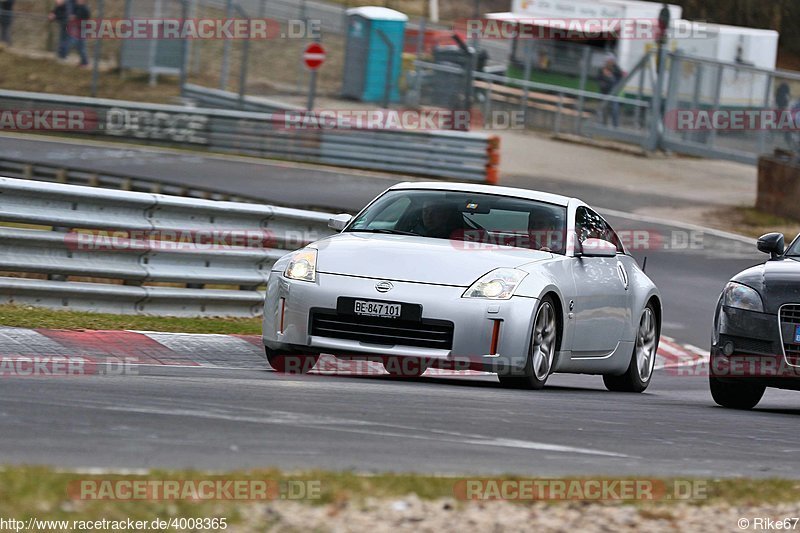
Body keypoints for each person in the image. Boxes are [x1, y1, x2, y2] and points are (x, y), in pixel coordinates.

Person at [49, 0, 89, 66]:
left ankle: (83, 61)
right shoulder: (68, 3)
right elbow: (59, 10)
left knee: (76, 44)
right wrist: (53, 14)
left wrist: (75, 17)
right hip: (67, 25)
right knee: (75, 43)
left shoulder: (81, 6)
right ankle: (83, 61)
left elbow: (83, 15)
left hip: (78, 27)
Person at [598, 53, 623, 128]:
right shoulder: (601, 70)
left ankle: (615, 127)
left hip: (613, 94)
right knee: (604, 110)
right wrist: (606, 78)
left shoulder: (617, 70)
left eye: (611, 60)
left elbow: (619, 80)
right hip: (605, 93)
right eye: (608, 60)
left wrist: (610, 76)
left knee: (615, 110)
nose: (609, 62)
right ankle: (603, 125)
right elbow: (600, 81)